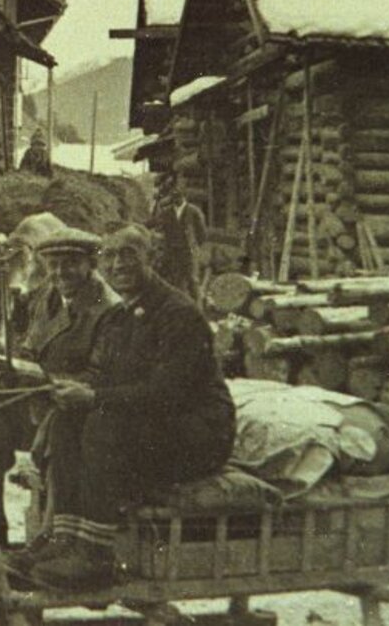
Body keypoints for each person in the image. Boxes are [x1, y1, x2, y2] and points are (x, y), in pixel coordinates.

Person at [25, 223, 235, 588]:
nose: (118, 264)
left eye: (129, 254)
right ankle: (65, 540)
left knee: (103, 423)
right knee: (66, 419)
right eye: (110, 255)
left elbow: (167, 393)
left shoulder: (177, 313)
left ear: (152, 257)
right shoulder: (121, 316)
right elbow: (110, 378)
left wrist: (94, 397)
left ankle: (95, 554)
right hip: (157, 429)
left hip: (200, 434)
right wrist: (76, 388)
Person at [0, 227, 120, 547]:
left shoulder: (107, 308)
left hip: (80, 407)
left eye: (71, 263)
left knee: (58, 427)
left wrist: (48, 379)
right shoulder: (47, 296)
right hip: (40, 395)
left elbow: (102, 375)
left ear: (91, 264)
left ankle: (51, 534)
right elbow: (31, 345)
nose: (61, 272)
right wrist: (11, 361)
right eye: (54, 264)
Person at [151, 184, 208, 302]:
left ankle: (198, 307)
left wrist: (194, 245)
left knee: (192, 280)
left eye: (178, 197)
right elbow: (154, 222)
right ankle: (181, 307)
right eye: (173, 197)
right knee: (176, 281)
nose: (176, 199)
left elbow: (202, 232)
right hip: (173, 251)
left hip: (188, 251)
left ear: (184, 197)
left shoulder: (193, 211)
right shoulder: (167, 212)